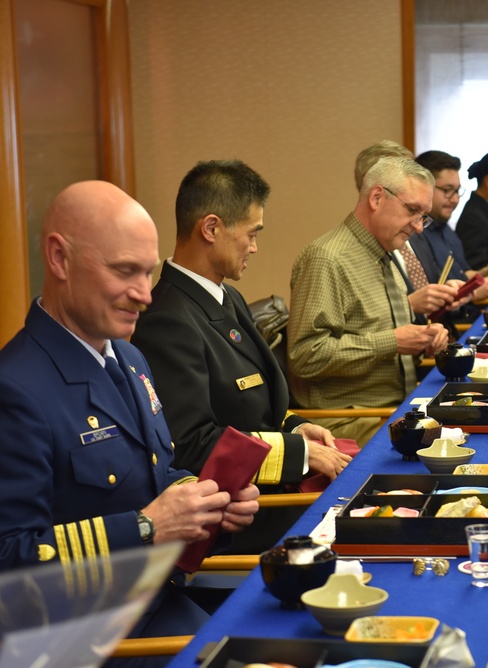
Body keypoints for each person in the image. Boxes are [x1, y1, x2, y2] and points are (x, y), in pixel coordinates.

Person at [0, 180, 259, 653]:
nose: (145, 294)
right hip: (88, 638)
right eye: (125, 272)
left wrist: (207, 502)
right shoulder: (15, 389)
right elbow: (10, 564)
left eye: (148, 272)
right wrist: (146, 528)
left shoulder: (128, 356)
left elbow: (151, 475)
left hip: (159, 595)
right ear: (59, 259)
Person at [131, 160, 352, 552]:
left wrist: (298, 428)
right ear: (211, 228)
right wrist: (301, 454)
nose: (254, 247)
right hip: (247, 519)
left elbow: (255, 403)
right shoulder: (168, 320)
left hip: (279, 499)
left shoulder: (226, 295)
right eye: (251, 234)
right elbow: (191, 444)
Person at [287, 157, 449, 444]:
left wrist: (424, 338)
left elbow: (386, 333)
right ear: (377, 197)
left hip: (398, 408)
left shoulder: (385, 251)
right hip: (350, 421)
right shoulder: (327, 259)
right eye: (412, 210)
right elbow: (305, 356)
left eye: (423, 215)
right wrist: (392, 341)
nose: (419, 227)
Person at [354, 141, 463, 318]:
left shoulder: (415, 235)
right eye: (405, 175)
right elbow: (360, 324)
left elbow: (432, 287)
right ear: (376, 192)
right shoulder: (345, 255)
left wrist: (446, 294)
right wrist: (410, 305)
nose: (419, 226)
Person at [414, 150, 488, 298]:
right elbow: (431, 297)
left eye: (457, 191)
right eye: (447, 190)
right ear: (423, 188)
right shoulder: (416, 235)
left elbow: (464, 274)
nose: (455, 199)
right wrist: (471, 295)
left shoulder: (446, 230)